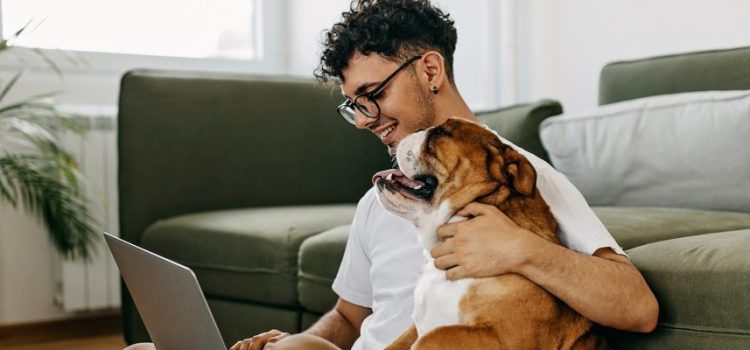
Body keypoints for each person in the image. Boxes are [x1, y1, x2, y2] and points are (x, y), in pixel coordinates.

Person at [127, 1, 658, 350]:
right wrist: (295, 343)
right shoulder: (381, 199)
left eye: (374, 96)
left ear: (430, 71)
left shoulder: (518, 177)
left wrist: (522, 249)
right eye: (353, 106)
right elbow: (350, 320)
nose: (366, 120)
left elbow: (636, 307)